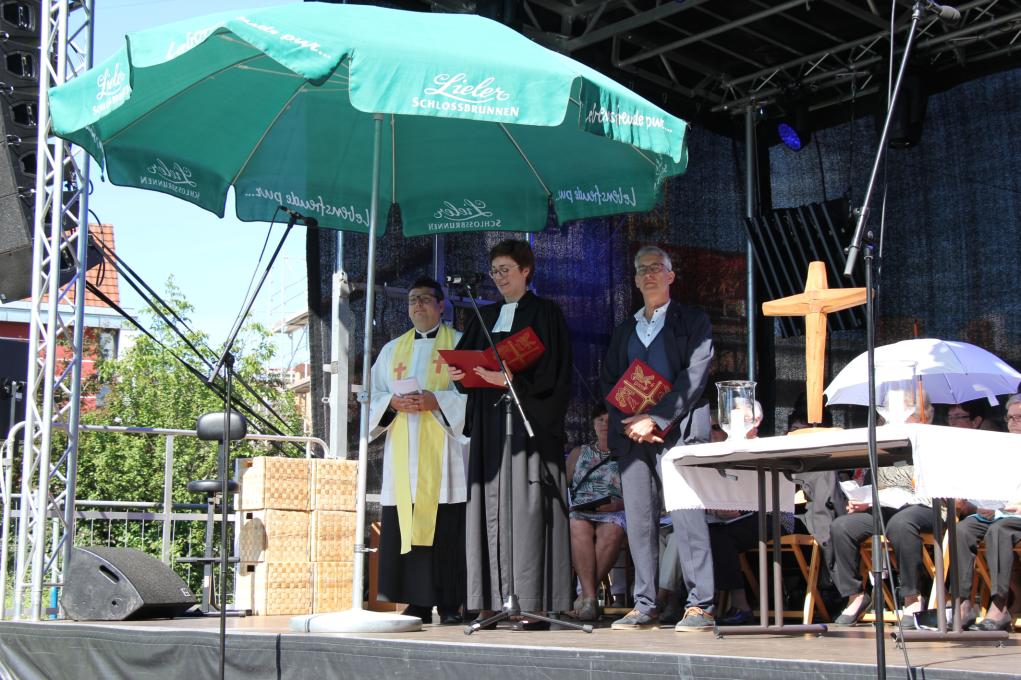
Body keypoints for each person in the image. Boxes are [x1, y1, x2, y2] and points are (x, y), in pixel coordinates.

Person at [449, 239, 573, 629]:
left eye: (505, 270)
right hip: (490, 426)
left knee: (526, 509)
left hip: (527, 424)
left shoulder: (545, 312)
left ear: (525, 270)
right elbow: (467, 373)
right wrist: (460, 374)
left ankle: (531, 602)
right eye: (495, 271)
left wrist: (512, 381)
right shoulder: (485, 315)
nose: (499, 277)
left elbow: (555, 372)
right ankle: (488, 600)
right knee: (488, 508)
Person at [600, 245, 715, 632]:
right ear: (635, 280)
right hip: (634, 437)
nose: (649, 274)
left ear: (670, 276)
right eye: (642, 269)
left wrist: (657, 418)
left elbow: (694, 377)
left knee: (687, 518)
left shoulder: (692, 320)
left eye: (656, 267)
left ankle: (700, 605)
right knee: (640, 522)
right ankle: (644, 604)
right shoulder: (624, 330)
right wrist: (629, 422)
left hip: (678, 433)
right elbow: (610, 382)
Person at [368, 277, 468, 624]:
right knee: (407, 524)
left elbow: (477, 397)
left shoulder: (460, 344)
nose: (418, 305)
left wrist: (437, 401)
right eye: (413, 300)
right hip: (405, 454)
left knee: (448, 528)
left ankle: (452, 603)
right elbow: (371, 396)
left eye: (426, 299)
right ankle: (417, 603)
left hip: (447, 456)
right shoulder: (391, 350)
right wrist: (391, 403)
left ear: (441, 305)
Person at [829, 399, 938, 626]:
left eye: (904, 413)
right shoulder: (883, 443)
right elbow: (873, 485)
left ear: (921, 415)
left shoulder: (931, 440)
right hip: (883, 509)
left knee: (901, 523)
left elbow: (931, 487)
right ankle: (855, 595)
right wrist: (861, 500)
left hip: (925, 507)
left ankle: (912, 597)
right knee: (842, 526)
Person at [955, 392, 1021, 631]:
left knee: (999, 531)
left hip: (1015, 515)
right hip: (995, 511)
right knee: (962, 529)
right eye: (1010, 418)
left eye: (1019, 417)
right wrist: (974, 504)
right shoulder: (999, 449)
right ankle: (964, 603)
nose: (1013, 422)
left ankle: (1000, 606)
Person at [566, 403, 627, 621]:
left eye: (609, 421)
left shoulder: (625, 453)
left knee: (613, 530)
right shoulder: (579, 453)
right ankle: (590, 597)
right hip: (582, 509)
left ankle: (584, 597)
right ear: (593, 423)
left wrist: (619, 505)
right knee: (576, 524)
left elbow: (637, 491)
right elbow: (563, 485)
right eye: (600, 420)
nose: (604, 424)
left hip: (614, 510)